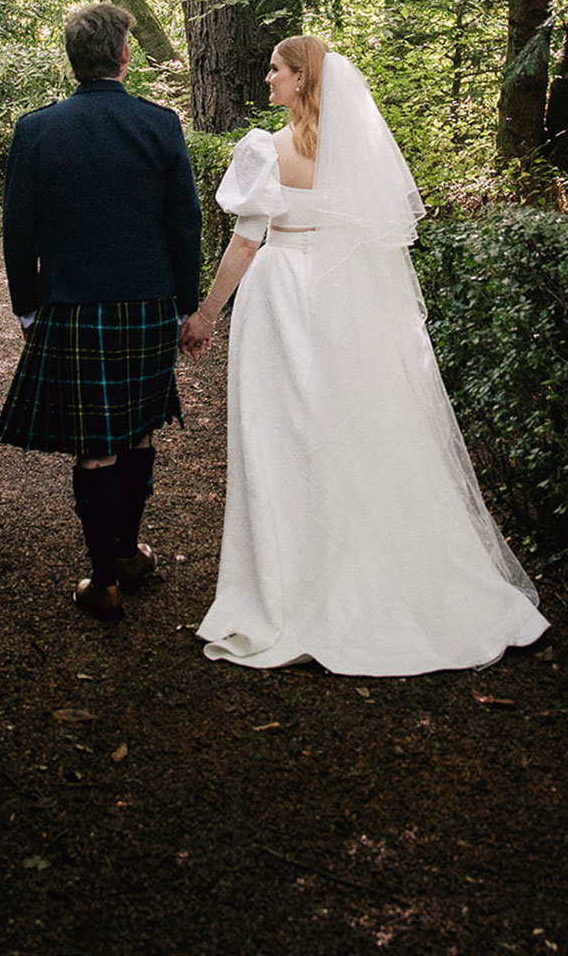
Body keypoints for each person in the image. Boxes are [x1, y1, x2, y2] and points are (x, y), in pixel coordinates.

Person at [180, 36, 549, 675]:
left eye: (277, 70)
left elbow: (246, 242)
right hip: (340, 299)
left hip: (280, 297)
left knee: (279, 439)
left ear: (303, 80)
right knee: (344, 435)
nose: (268, 78)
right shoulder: (355, 155)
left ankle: (289, 586)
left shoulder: (265, 150)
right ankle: (356, 571)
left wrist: (207, 315)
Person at [0, 2, 202, 621]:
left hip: (72, 307)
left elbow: (17, 231)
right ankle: (124, 554)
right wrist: (183, 307)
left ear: (72, 57)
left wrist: (27, 308)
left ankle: (105, 578)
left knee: (96, 445)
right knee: (137, 430)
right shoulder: (160, 125)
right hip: (144, 305)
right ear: (124, 55)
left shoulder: (37, 129)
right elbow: (185, 226)